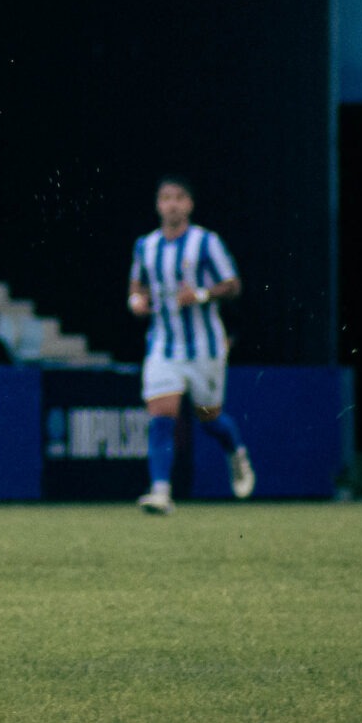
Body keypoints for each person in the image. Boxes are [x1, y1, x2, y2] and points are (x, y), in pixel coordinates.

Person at [127, 177, 253, 514]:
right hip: (163, 346)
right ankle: (161, 492)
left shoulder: (206, 242)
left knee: (209, 419)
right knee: (161, 417)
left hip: (204, 346)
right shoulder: (146, 246)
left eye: (179, 198)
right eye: (165, 198)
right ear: (157, 205)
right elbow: (136, 286)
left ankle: (235, 451)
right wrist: (136, 302)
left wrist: (200, 294)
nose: (172, 204)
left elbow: (233, 284)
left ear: (189, 205)